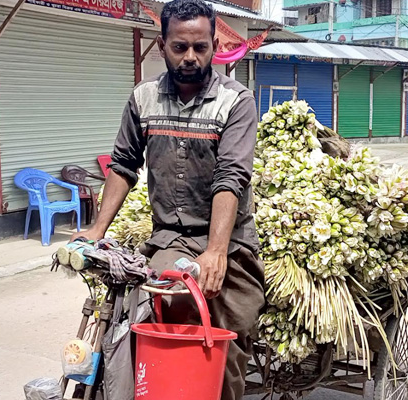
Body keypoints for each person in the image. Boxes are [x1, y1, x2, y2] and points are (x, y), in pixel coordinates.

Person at [71, 1, 264, 399]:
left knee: (225, 340)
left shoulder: (236, 101)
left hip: (229, 242)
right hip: (170, 240)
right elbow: (124, 165)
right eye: (180, 47)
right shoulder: (143, 99)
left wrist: (215, 251)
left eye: (200, 47)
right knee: (156, 312)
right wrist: (95, 230)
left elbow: (231, 177)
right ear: (162, 46)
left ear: (214, 45)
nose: (190, 57)